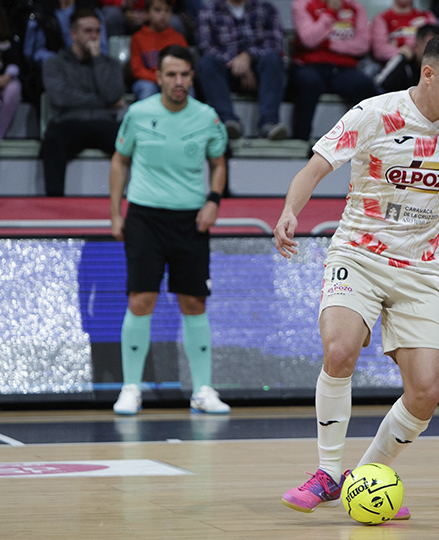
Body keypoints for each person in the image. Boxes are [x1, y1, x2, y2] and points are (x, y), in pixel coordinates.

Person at [273, 33, 439, 519]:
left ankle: (363, 478)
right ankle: (327, 471)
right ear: (428, 74)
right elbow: (316, 166)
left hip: (419, 268)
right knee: (341, 348)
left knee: (429, 389)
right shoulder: (374, 113)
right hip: (360, 254)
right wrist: (290, 211)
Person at [109, 45, 231, 415]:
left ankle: (204, 390)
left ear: (192, 77)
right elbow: (120, 160)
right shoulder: (138, 114)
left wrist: (213, 200)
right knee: (140, 300)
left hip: (190, 220)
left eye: (185, 75)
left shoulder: (208, 117)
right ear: (158, 78)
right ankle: (131, 388)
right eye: (171, 75)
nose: (178, 82)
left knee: (193, 302)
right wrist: (116, 212)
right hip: (144, 217)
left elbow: (219, 163)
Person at [41, 9, 125, 197]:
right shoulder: (54, 64)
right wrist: (104, 102)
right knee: (53, 138)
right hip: (68, 122)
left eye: (97, 31)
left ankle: (133, 200)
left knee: (129, 139)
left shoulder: (110, 64)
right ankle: (54, 200)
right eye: (88, 31)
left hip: (105, 123)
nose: (94, 36)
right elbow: (61, 98)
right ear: (73, 34)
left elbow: (113, 94)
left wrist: (97, 60)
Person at [289, 0, 380, 141]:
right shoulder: (302, 4)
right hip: (311, 65)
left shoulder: (356, 7)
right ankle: (299, 140)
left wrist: (327, 43)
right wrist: (330, 12)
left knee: (365, 85)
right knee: (308, 82)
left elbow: (362, 45)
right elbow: (308, 39)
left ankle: (365, 142)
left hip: (344, 68)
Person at [196, 0, 286, 140]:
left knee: (274, 59)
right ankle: (227, 121)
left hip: (258, 72)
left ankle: (269, 123)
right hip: (225, 71)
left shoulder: (267, 9)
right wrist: (235, 62)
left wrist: (248, 56)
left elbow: (275, 43)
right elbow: (205, 46)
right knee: (207, 63)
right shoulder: (209, 10)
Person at [129, 0, 188, 101]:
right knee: (147, 88)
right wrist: (160, 79)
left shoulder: (178, 38)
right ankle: (146, 117)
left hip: (174, 80)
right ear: (147, 13)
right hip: (148, 81)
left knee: (186, 88)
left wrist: (173, 79)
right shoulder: (138, 38)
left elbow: (186, 66)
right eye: (157, 10)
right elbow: (137, 69)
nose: (163, 14)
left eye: (167, 11)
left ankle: (186, 117)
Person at [375, 23, 439, 93]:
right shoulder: (404, 62)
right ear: (416, 46)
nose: (434, 53)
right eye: (429, 48)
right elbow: (380, 84)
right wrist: (402, 58)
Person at [371, 0, 438, 65]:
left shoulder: (427, 16)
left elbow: (436, 44)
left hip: (424, 65)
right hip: (396, 66)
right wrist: (400, 52)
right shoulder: (383, 18)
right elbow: (379, 50)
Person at [0, 1, 22, 139]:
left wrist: (7, 77)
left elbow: (15, 61)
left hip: (5, 80)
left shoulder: (8, 38)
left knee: (13, 90)